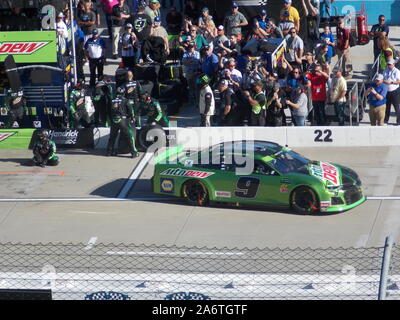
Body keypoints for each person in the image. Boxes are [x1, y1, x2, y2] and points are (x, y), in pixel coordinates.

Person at [107, 87, 139, 158]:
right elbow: (131, 110)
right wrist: (132, 117)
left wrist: (110, 120)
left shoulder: (112, 100)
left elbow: (108, 111)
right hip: (123, 120)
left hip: (113, 120)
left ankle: (109, 152)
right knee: (130, 136)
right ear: (123, 93)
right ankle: (134, 153)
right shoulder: (125, 100)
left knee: (112, 137)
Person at [182, 41, 201, 107]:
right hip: (189, 72)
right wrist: (191, 60)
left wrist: (189, 61)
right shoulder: (186, 53)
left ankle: (197, 102)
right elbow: (184, 62)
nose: (191, 48)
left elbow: (197, 62)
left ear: (194, 47)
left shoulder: (197, 53)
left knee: (196, 87)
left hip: (196, 72)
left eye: (192, 47)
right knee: (190, 87)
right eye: (190, 47)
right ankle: (191, 102)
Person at [383, 59, 400, 125]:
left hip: (394, 91)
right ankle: (386, 120)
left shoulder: (397, 71)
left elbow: (399, 81)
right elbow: (383, 79)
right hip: (387, 91)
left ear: (394, 64)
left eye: (390, 64)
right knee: (387, 107)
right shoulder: (385, 70)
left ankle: (398, 121)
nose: (389, 66)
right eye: (388, 64)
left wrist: (392, 82)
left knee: (396, 107)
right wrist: (385, 82)